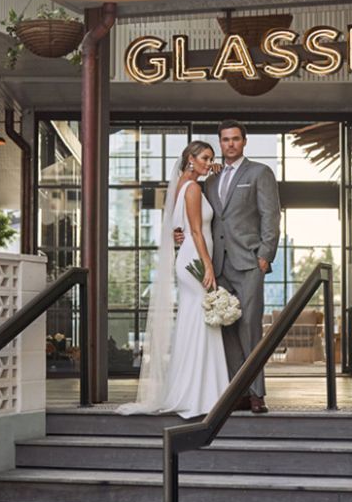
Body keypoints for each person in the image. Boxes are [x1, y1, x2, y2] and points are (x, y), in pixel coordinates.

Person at [117, 141, 229, 418]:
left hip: (189, 256)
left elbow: (176, 229)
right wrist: (208, 266)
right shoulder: (191, 188)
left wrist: (215, 170)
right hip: (195, 260)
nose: (208, 162)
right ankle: (199, 393)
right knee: (201, 322)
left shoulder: (182, 185)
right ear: (190, 158)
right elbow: (195, 231)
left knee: (196, 323)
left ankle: (200, 390)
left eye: (211, 158)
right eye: (204, 157)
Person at [203, 120, 281, 414]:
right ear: (220, 143)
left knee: (249, 328)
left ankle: (257, 394)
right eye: (225, 140)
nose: (230, 144)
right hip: (219, 265)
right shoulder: (211, 180)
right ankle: (238, 393)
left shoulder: (260, 172)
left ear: (244, 142)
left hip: (249, 263)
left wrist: (266, 254)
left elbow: (270, 215)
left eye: (236, 139)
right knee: (226, 330)